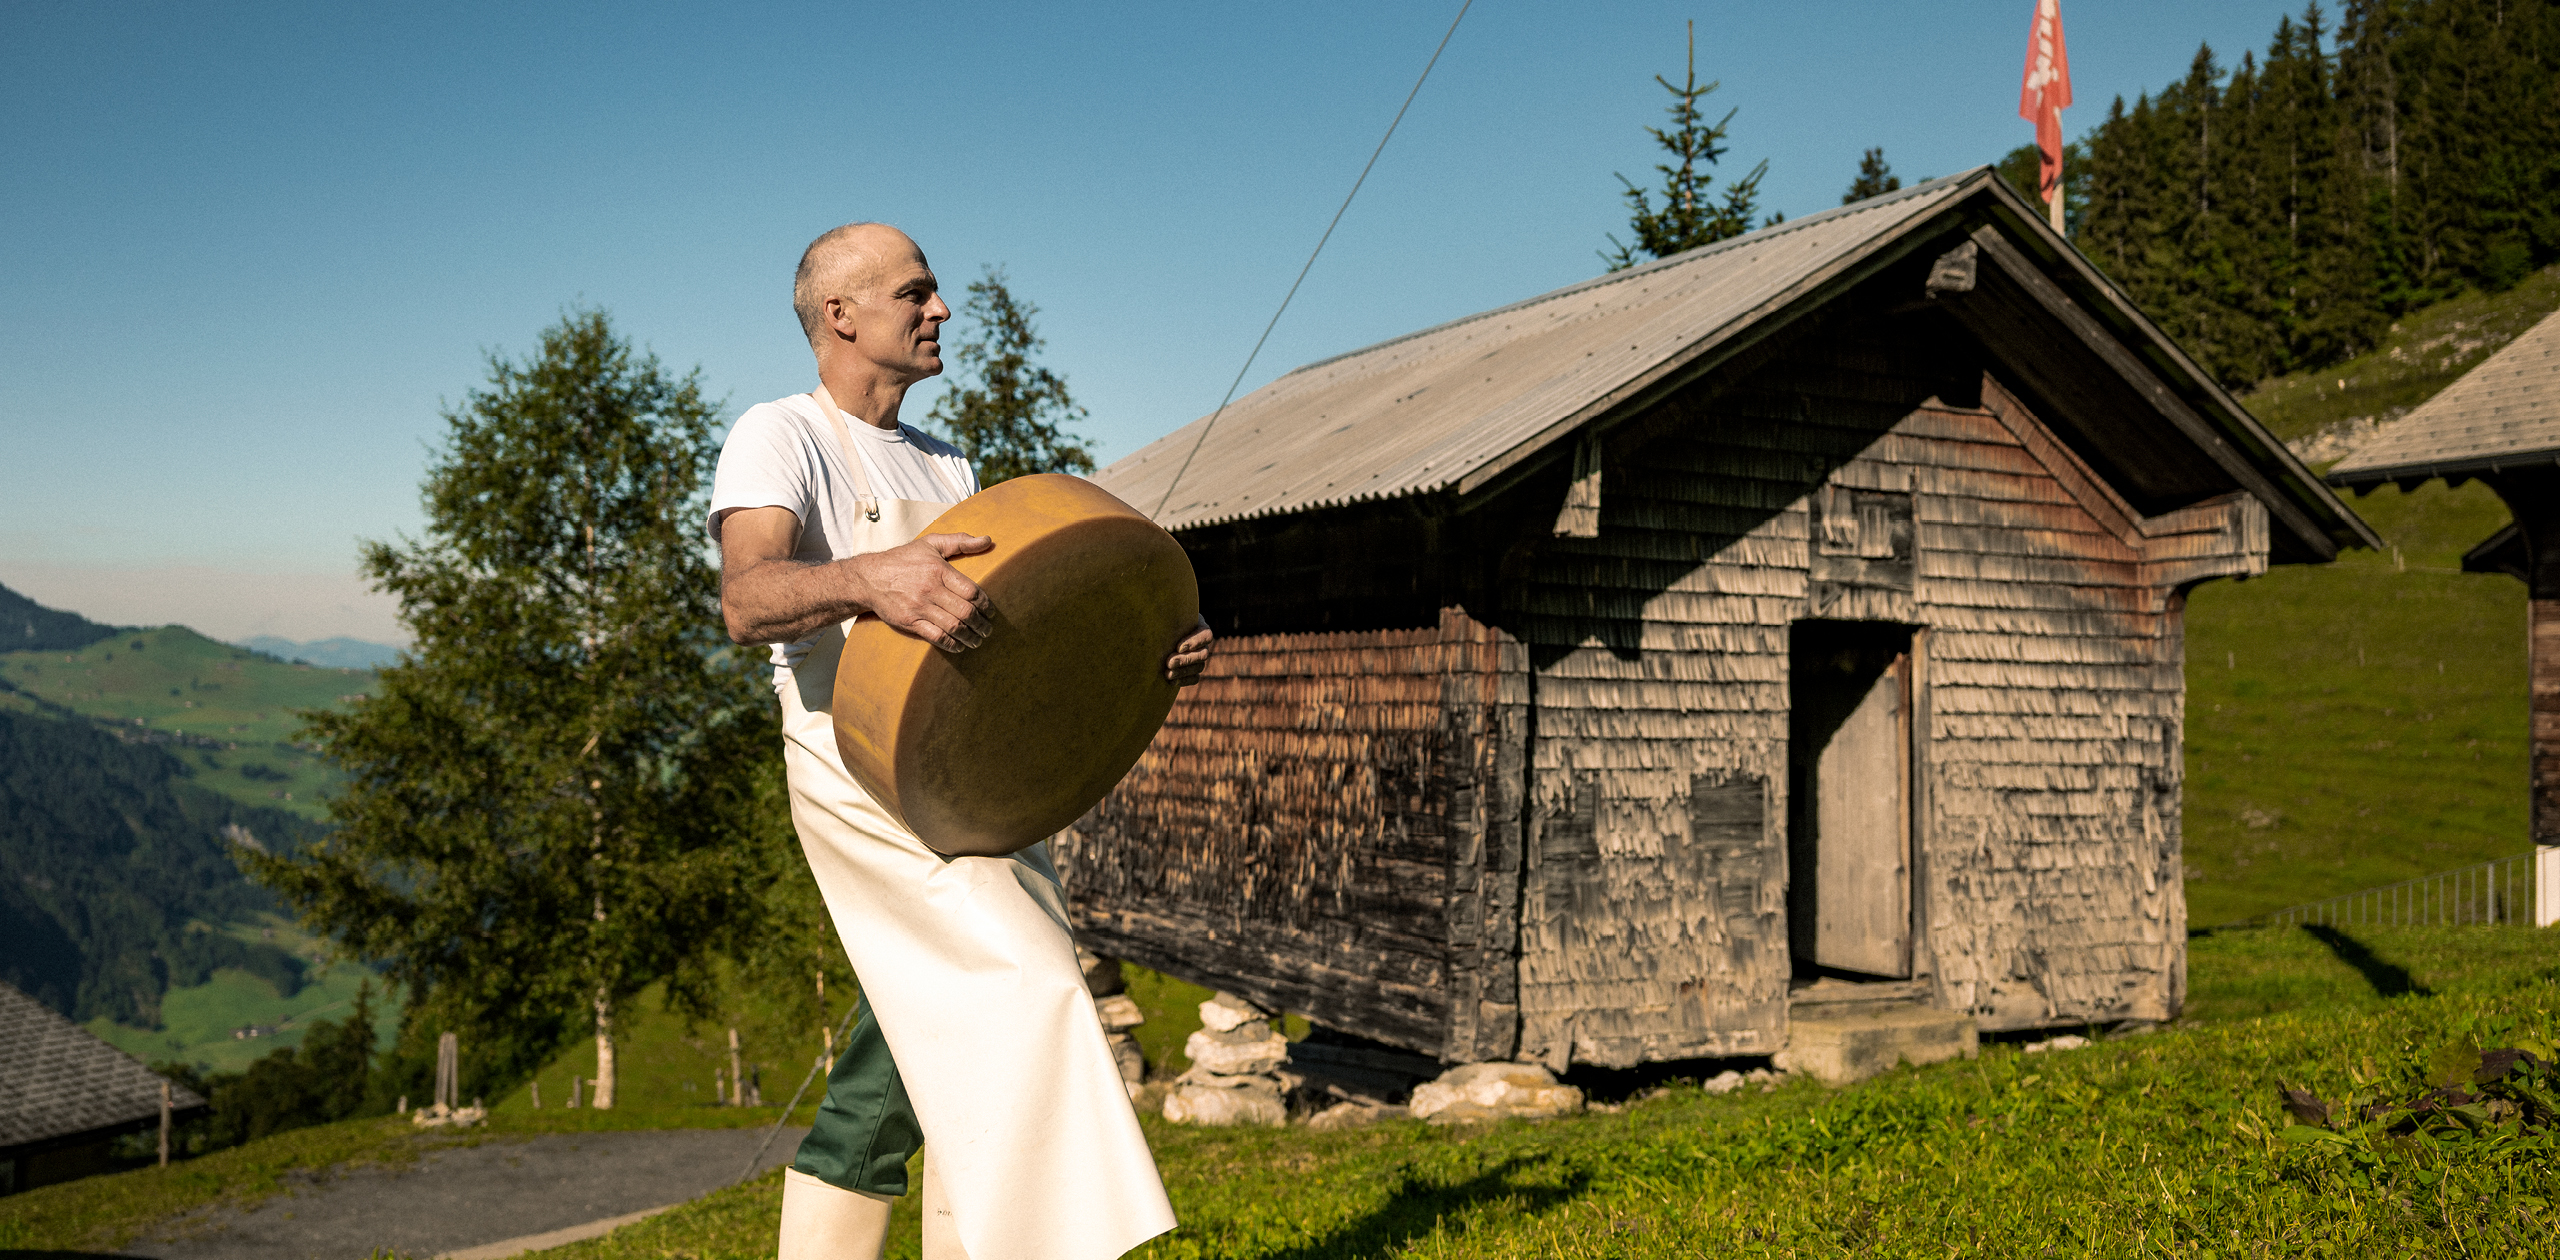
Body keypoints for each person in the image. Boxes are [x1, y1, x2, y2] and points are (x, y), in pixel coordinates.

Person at [710, 222, 1210, 1260]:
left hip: (971, 772)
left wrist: (1137, 644)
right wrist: (863, 577)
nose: (940, 311)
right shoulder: (779, 433)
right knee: (1028, 989)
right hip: (856, 770)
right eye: (916, 292)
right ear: (840, 314)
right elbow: (748, 599)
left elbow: (1006, 634)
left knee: (903, 1049)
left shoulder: (949, 463)